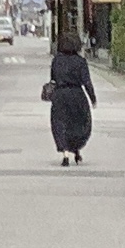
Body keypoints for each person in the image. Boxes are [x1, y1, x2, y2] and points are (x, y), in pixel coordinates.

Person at [44, 39, 95, 167]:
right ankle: (76, 149)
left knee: (60, 123)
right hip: (77, 95)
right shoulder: (81, 61)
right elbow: (87, 82)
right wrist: (92, 98)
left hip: (60, 95)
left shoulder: (56, 60)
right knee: (79, 123)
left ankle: (65, 154)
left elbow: (53, 78)